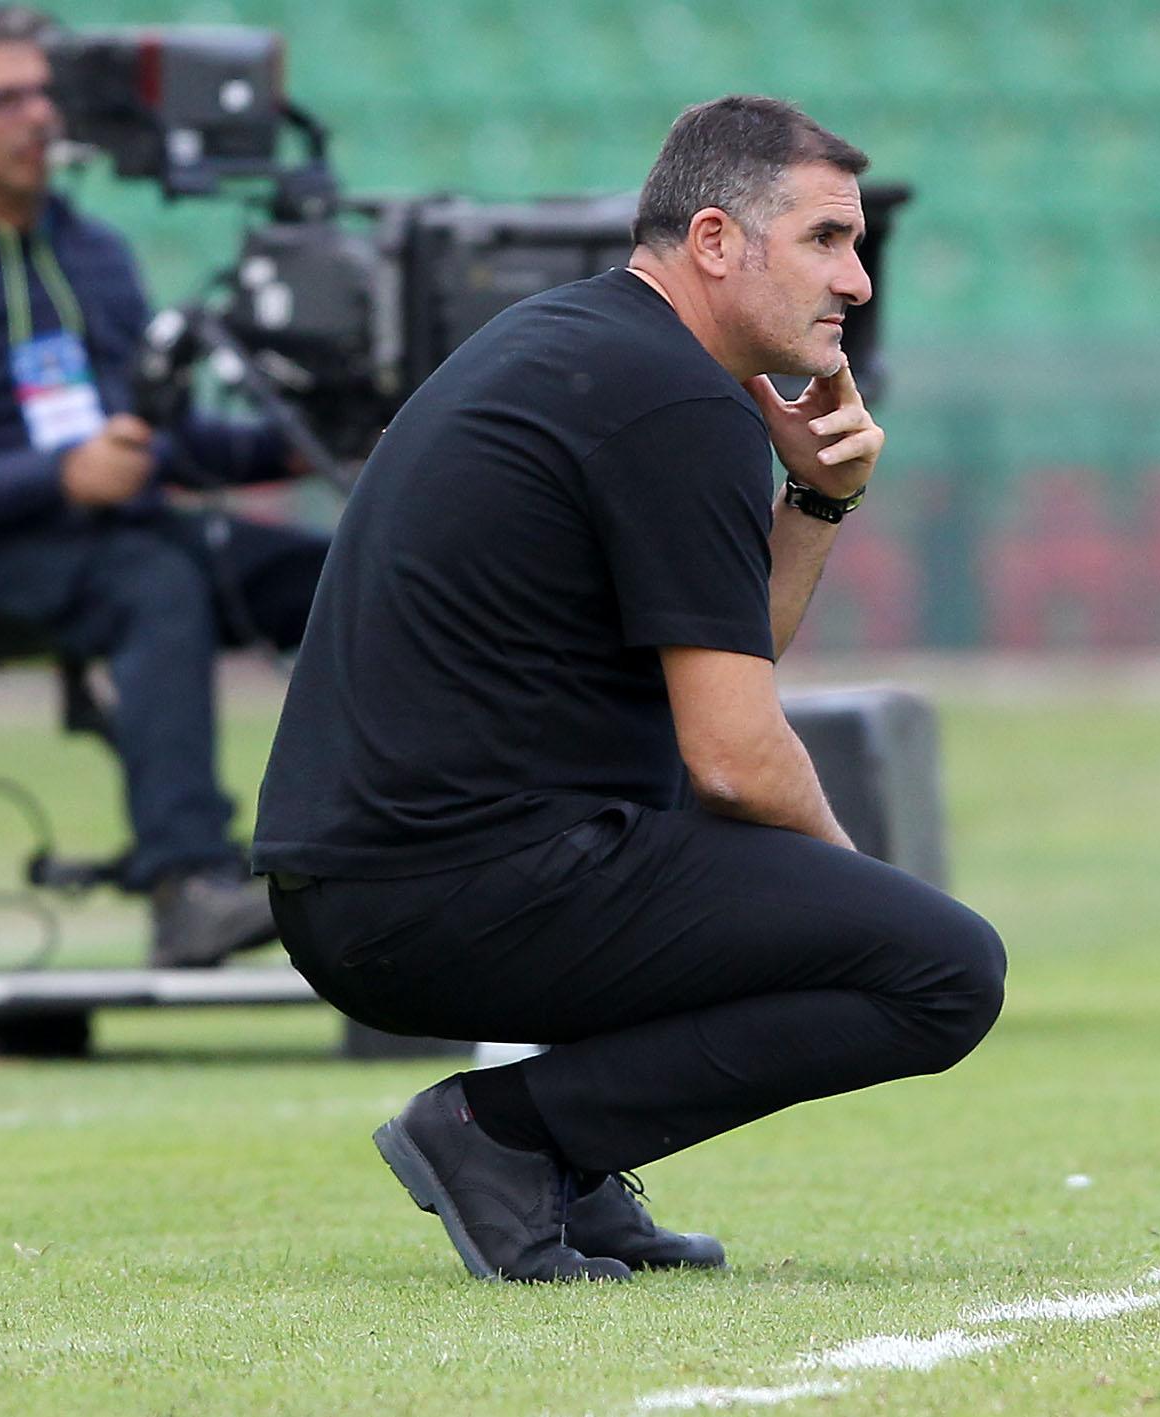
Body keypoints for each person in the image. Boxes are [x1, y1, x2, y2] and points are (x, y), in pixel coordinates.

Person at [253, 96, 1005, 1283]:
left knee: (763, 875)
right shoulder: (672, 399)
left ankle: (569, 1165)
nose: (856, 282)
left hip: (374, 889)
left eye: (854, 245)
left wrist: (815, 503)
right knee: (943, 969)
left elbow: (719, 654)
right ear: (714, 240)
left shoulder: (599, 350)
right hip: (441, 890)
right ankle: (504, 1136)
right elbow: (734, 757)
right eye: (823, 239)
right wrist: (855, 907)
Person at [0, 3, 329, 968]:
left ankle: (393, 847)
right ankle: (188, 884)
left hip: (122, 531)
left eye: (46, 94)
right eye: (3, 98)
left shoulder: (93, 253)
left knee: (348, 575)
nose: (36, 116)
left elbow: (165, 444)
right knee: (156, 582)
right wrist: (65, 474)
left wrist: (304, 445)